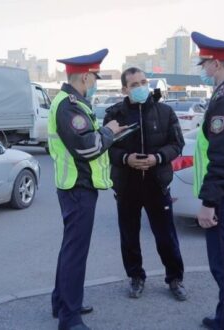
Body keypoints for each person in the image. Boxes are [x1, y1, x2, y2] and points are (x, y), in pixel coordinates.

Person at [48, 49, 127, 330]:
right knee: (75, 254)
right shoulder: (69, 105)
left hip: (75, 187)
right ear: (84, 77)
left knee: (70, 250)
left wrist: (107, 133)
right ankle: (70, 318)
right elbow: (87, 147)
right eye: (94, 77)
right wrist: (110, 133)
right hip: (77, 189)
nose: (95, 82)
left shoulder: (72, 103)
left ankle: (62, 302)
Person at [103, 67, 187, 301]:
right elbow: (106, 148)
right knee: (129, 236)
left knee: (166, 236)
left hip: (156, 184)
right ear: (124, 89)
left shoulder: (165, 112)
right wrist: (125, 159)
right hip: (126, 185)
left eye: (143, 82)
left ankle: (175, 279)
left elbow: (177, 143)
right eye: (134, 84)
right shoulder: (114, 114)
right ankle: (136, 277)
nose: (140, 87)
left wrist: (158, 158)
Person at [192, 31, 224, 330]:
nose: (203, 70)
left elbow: (222, 156)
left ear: (215, 63)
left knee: (223, 264)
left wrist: (208, 203)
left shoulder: (223, 99)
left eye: (204, 64)